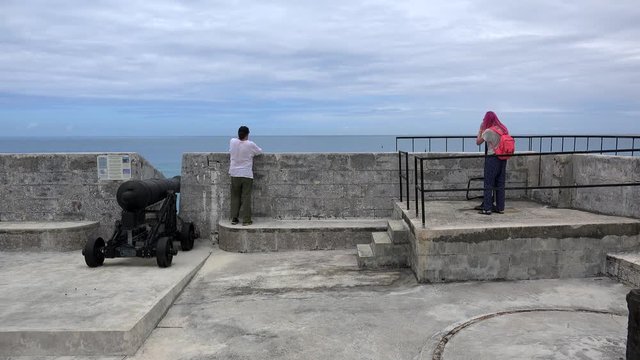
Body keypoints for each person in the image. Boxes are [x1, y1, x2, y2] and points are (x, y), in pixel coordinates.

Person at [475, 111, 509, 215]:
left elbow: (478, 142)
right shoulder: (503, 129)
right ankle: (500, 207)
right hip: (503, 158)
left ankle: (487, 208)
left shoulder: (489, 131)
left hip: (492, 158)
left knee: (488, 183)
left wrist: (481, 129)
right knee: (500, 183)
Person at [229, 126, 262, 225]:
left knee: (235, 196)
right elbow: (259, 151)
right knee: (246, 197)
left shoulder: (232, 141)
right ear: (247, 134)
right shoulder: (250, 144)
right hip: (246, 174)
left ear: (238, 133)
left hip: (234, 173)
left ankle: (234, 218)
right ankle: (246, 220)